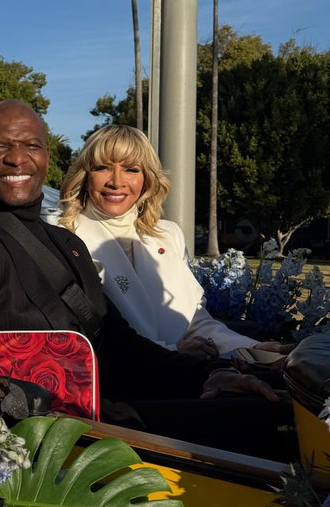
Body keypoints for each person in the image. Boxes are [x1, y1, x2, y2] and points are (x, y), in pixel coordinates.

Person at [0, 101, 284, 452]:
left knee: (271, 399)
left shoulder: (65, 244)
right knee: (266, 420)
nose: (17, 158)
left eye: (31, 146)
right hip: (42, 440)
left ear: (46, 157)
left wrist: (208, 374)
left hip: (106, 412)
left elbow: (118, 342)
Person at [58, 126, 285, 360]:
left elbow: (195, 323)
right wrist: (173, 355)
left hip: (189, 374)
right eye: (102, 168)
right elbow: (88, 339)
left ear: (147, 178)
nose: (116, 181)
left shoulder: (168, 234)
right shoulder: (64, 237)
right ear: (85, 175)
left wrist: (254, 348)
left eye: (131, 169)